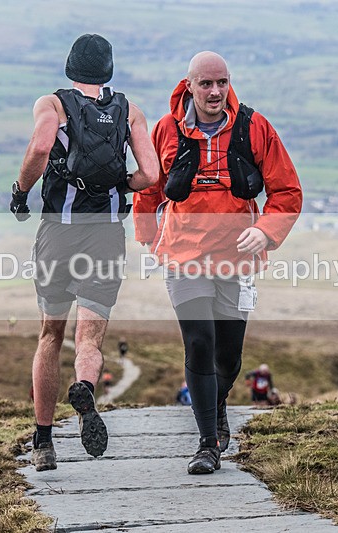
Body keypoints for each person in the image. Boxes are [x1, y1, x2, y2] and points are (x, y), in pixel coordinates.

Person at [133, 52, 302, 474]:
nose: (215, 92)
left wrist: (264, 231)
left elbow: (287, 191)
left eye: (222, 83)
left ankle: (219, 402)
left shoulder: (253, 127)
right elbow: (148, 191)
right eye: (206, 84)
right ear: (188, 85)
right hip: (183, 256)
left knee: (229, 358)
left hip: (236, 260)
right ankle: (207, 443)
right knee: (199, 342)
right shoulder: (166, 131)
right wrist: (151, 238)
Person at [10, 34, 159, 472]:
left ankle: (43, 442)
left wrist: (21, 193)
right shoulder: (129, 110)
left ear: (71, 66)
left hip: (59, 233)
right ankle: (86, 388)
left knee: (50, 336)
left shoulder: (53, 105)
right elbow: (150, 173)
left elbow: (40, 147)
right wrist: (120, 185)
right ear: (108, 70)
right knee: (90, 337)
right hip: (107, 233)